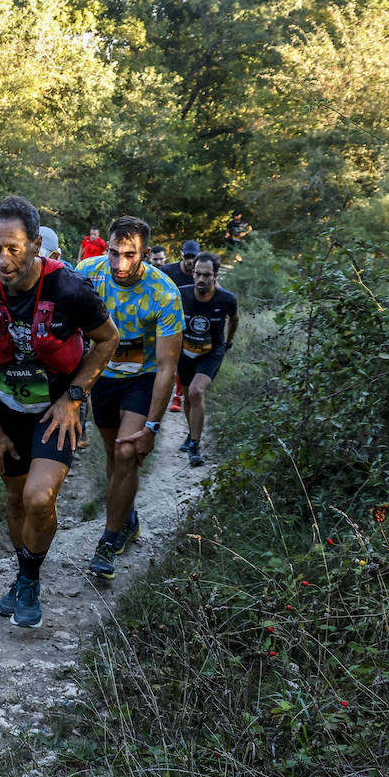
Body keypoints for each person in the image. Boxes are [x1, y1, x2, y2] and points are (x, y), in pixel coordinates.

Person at [0, 196, 118, 627]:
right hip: (8, 405)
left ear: (35, 244)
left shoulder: (68, 287)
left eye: (13, 248)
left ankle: (29, 579)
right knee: (15, 497)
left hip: (56, 408)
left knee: (38, 496)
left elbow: (107, 340)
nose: (3, 258)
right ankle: (25, 575)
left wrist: (74, 397)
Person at [77, 215, 183, 581]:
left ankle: (107, 541)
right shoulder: (88, 273)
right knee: (114, 454)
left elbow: (169, 367)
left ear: (146, 253)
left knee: (126, 450)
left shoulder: (164, 292)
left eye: (130, 255)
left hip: (143, 377)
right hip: (101, 375)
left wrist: (152, 426)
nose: (119, 264)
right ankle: (127, 517)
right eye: (113, 253)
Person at [177, 252, 239, 466]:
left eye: (206, 275)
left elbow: (234, 318)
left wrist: (228, 342)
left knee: (196, 391)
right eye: (198, 274)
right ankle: (192, 432)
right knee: (187, 397)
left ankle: (195, 444)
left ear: (215, 276)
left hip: (211, 352)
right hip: (185, 352)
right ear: (192, 273)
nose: (201, 279)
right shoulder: (181, 295)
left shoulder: (226, 299)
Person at [161, 239, 199, 412]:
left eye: (194, 257)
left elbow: (215, 288)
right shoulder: (168, 270)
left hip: (190, 321)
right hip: (168, 320)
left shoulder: (200, 273)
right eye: (188, 256)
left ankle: (177, 397)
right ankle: (160, 393)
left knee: (183, 360)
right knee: (166, 360)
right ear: (182, 255)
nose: (191, 260)